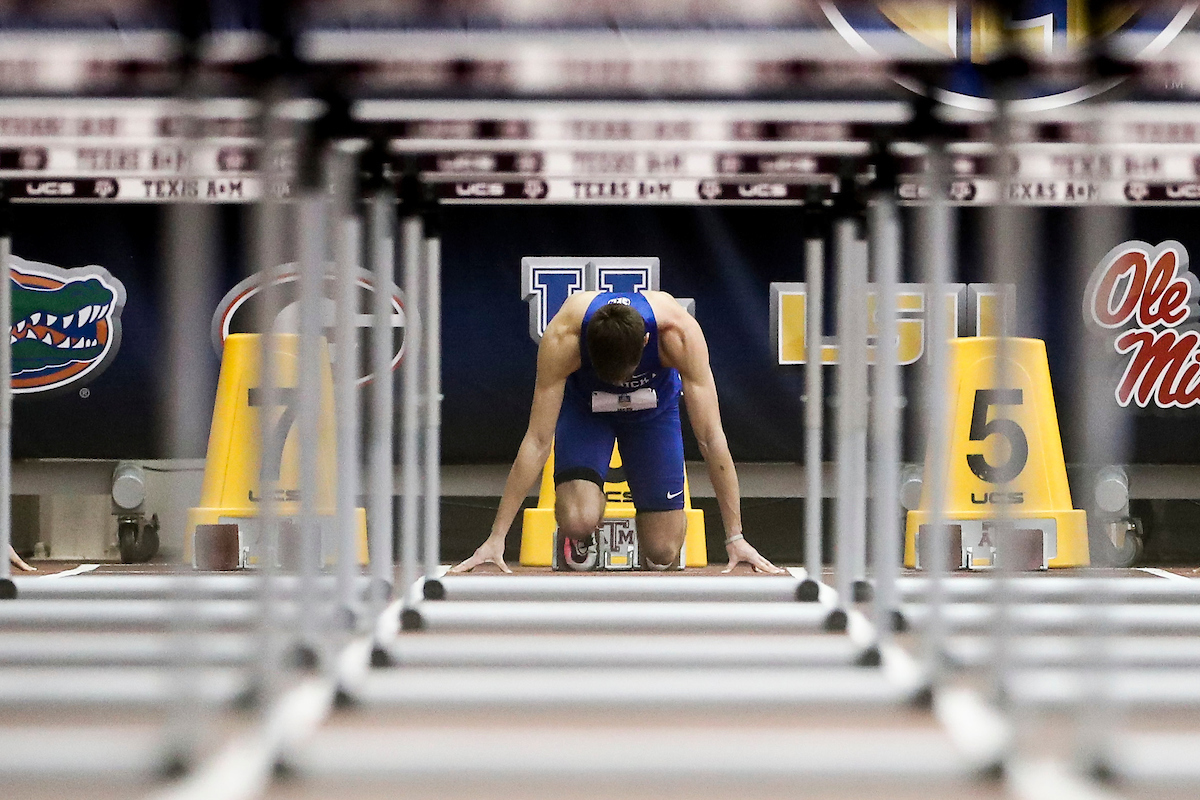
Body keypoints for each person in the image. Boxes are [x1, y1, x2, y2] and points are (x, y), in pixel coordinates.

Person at [452, 289, 784, 574]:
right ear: (586, 347)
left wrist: (735, 537)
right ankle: (588, 508)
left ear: (646, 341)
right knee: (577, 521)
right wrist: (496, 537)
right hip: (587, 411)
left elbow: (712, 439)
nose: (618, 384)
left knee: (663, 550)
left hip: (653, 412)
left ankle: (647, 518)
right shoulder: (563, 337)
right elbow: (537, 441)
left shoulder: (678, 334)